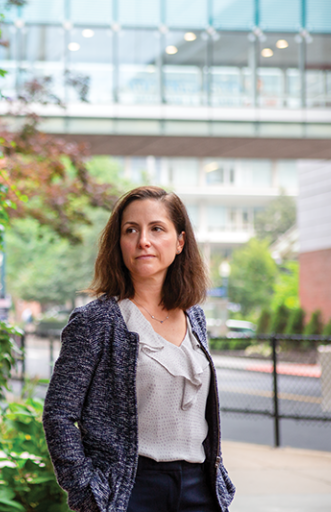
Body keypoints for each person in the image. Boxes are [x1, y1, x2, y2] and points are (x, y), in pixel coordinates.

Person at [42, 186, 235, 512]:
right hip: (130, 492)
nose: (143, 240)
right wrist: (88, 493)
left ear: (180, 242)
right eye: (131, 230)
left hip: (200, 490)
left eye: (157, 228)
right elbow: (58, 414)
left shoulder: (195, 317)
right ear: (119, 243)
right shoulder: (96, 321)